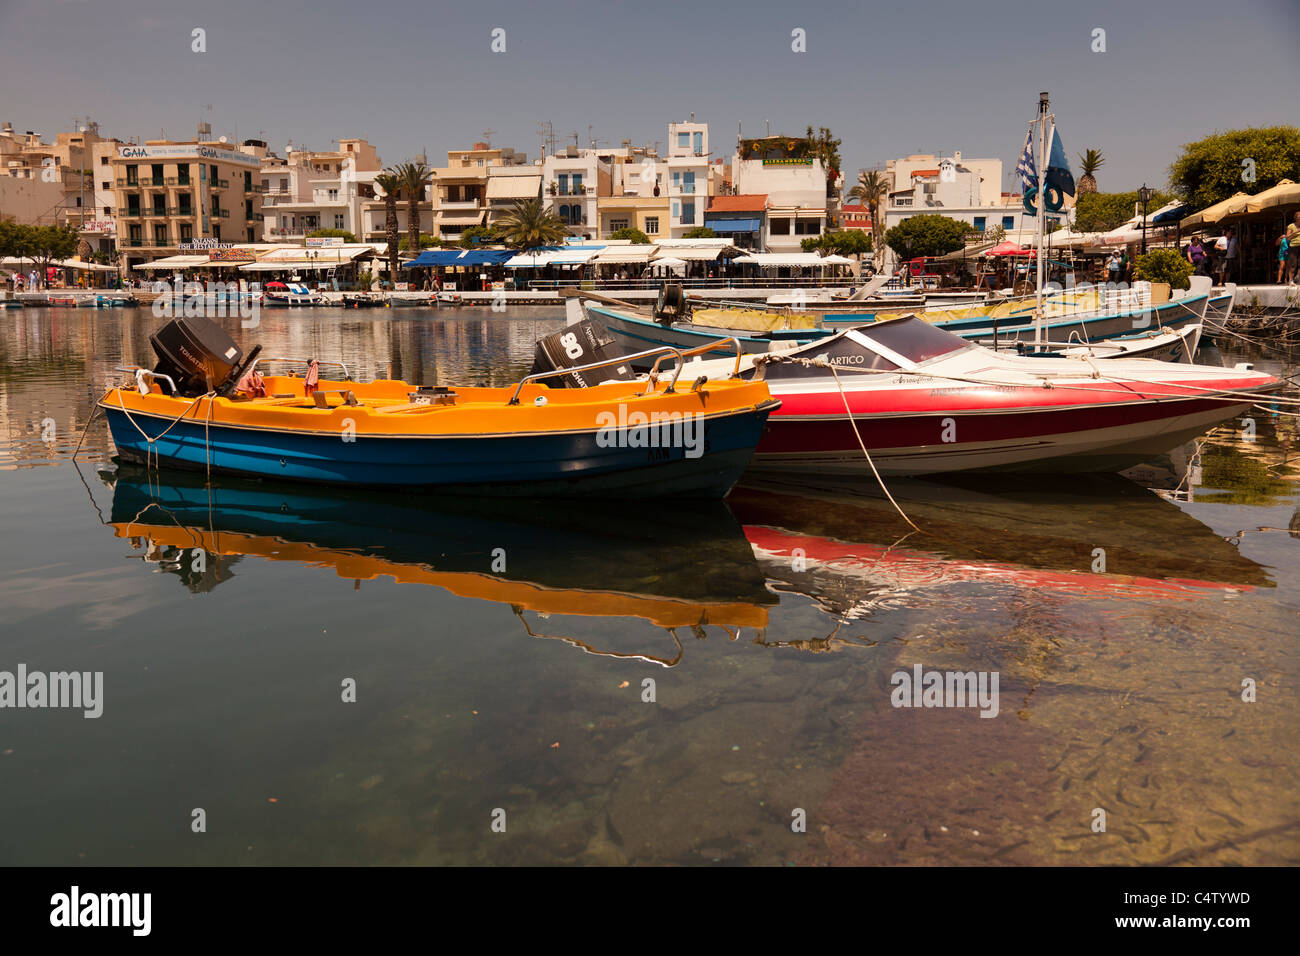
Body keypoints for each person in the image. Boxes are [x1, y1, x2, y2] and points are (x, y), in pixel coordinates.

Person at [1286, 212, 1300, 284]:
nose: (1299, 217)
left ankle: (1297, 277)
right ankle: (1290, 280)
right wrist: (1295, 232)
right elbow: (1287, 237)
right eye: (1298, 216)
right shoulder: (1291, 226)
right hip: (1294, 246)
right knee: (1293, 264)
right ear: (1295, 217)